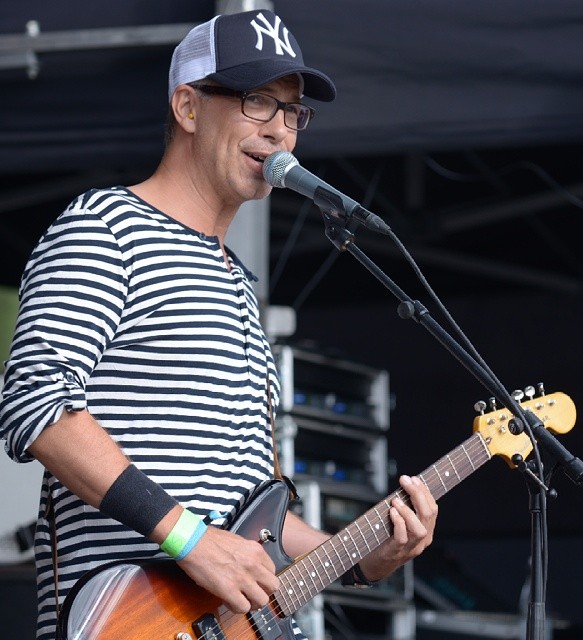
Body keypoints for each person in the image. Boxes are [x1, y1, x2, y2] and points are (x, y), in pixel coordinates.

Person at [0, 9, 438, 640]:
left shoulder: (237, 285)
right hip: (125, 620)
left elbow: (255, 516)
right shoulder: (104, 227)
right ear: (187, 107)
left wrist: (367, 557)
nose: (280, 129)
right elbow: (36, 403)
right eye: (257, 101)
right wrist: (191, 540)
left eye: (293, 112)